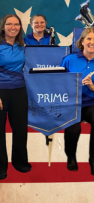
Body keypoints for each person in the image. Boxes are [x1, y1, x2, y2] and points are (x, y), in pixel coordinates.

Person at [61, 28, 94, 176]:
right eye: (89, 39)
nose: (92, 42)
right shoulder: (69, 60)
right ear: (82, 41)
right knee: (74, 128)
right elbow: (60, 84)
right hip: (73, 102)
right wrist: (75, 84)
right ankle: (71, 156)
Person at [0, 14, 31, 180]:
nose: (13, 27)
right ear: (3, 26)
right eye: (9, 24)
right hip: (0, 91)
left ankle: (19, 162)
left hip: (19, 91)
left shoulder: (22, 44)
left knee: (20, 129)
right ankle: (0, 167)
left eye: (17, 24)